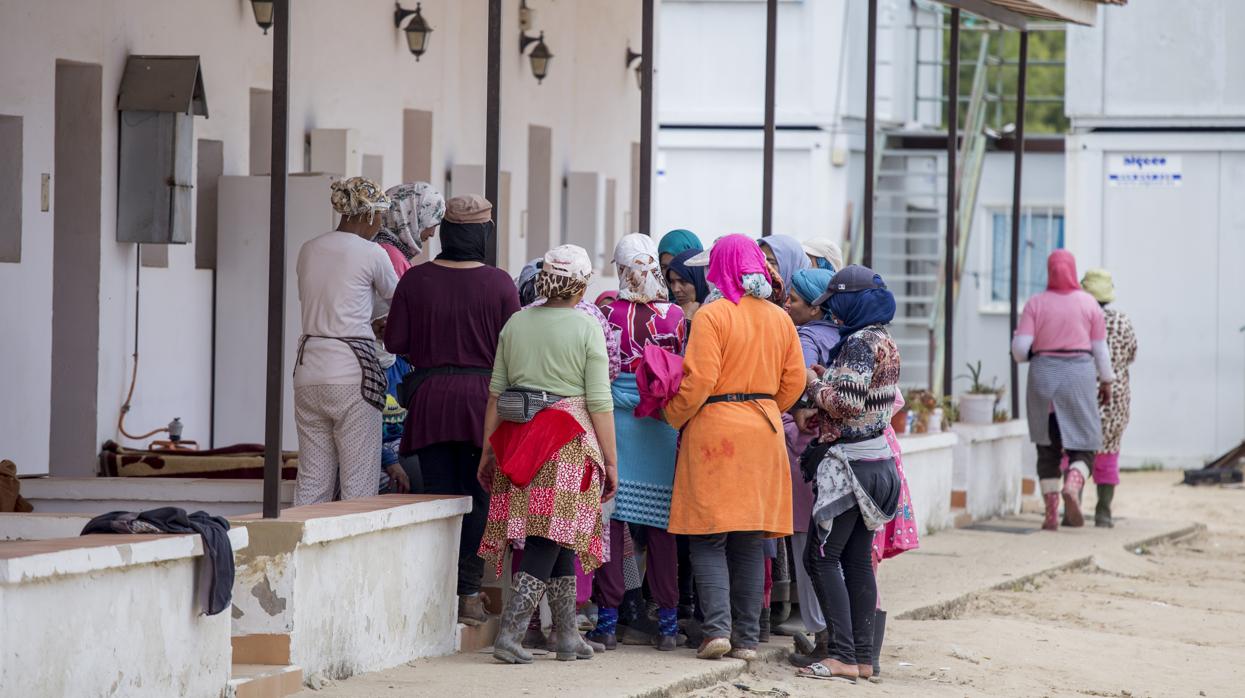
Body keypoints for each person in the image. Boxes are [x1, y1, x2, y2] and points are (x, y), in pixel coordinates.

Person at [664, 235, 806, 661]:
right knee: (748, 538)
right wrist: (762, 407)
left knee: (708, 536)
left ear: (721, 268)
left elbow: (699, 380)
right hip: (763, 431)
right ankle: (746, 640)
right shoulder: (780, 318)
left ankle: (716, 632)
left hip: (715, 430)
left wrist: (674, 415)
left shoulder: (713, 315)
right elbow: (795, 382)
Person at [477, 244, 619, 665]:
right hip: (568, 444)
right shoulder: (586, 327)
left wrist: (488, 449)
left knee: (562, 537)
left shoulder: (516, 323)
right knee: (549, 536)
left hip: (518, 438)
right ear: (580, 284)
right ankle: (511, 634)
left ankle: (567, 635)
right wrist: (611, 460)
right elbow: (599, 400)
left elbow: (495, 393)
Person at [384, 194, 520, 626]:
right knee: (480, 497)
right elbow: (512, 348)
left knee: (437, 498)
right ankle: (468, 593)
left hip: (430, 401)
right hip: (484, 403)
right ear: (482, 234)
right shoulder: (500, 283)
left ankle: (436, 592)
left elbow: (396, 343)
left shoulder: (416, 280)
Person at [797, 264, 902, 683]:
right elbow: (866, 395)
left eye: (836, 305)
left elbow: (847, 404)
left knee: (820, 556)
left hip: (850, 466)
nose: (833, 314)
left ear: (852, 301)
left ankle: (840, 653)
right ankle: (862, 658)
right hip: (878, 462)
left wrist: (811, 385)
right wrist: (831, 381)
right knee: (856, 560)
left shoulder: (859, 342)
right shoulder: (884, 340)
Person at [587, 234, 687, 652]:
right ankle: (666, 625)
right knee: (663, 531)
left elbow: (601, 370)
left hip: (616, 423)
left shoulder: (606, 312)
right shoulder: (677, 315)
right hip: (660, 425)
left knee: (612, 526)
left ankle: (608, 623)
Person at [292, 177, 398, 506]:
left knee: (313, 478)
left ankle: (301, 554)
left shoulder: (309, 248)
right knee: (358, 481)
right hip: (352, 374)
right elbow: (398, 299)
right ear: (367, 215)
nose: (380, 225)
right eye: (380, 217)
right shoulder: (372, 252)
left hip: (308, 370)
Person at [1012, 250, 1115, 531]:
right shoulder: (1089, 305)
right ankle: (1074, 482)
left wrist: (1039, 352)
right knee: (1085, 445)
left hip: (1043, 376)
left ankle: (1050, 513)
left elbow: (1020, 351)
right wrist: (1106, 382)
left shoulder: (1035, 304)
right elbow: (1101, 351)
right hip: (1079, 377)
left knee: (1047, 450)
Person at [781, 268, 837, 666]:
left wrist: (797, 411)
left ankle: (823, 636)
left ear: (816, 306)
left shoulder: (805, 340)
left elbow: (794, 387)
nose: (787, 305)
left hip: (806, 452)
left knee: (807, 547)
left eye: (795, 300)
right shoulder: (847, 336)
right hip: (842, 458)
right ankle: (845, 636)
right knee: (839, 550)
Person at [1080, 268, 1137, 528]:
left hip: (1081, 396)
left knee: (1077, 450)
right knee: (1108, 452)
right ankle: (1103, 512)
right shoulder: (1122, 321)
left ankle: (1074, 505)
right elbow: (1132, 355)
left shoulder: (1079, 320)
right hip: (1115, 399)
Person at [375, 181, 445, 277]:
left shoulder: (389, 248)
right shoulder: (391, 256)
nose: (432, 234)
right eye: (431, 224)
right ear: (411, 217)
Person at [666, 249, 710, 326]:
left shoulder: (718, 313)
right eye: (672, 282)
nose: (676, 289)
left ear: (700, 279)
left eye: (683, 281)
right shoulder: (666, 314)